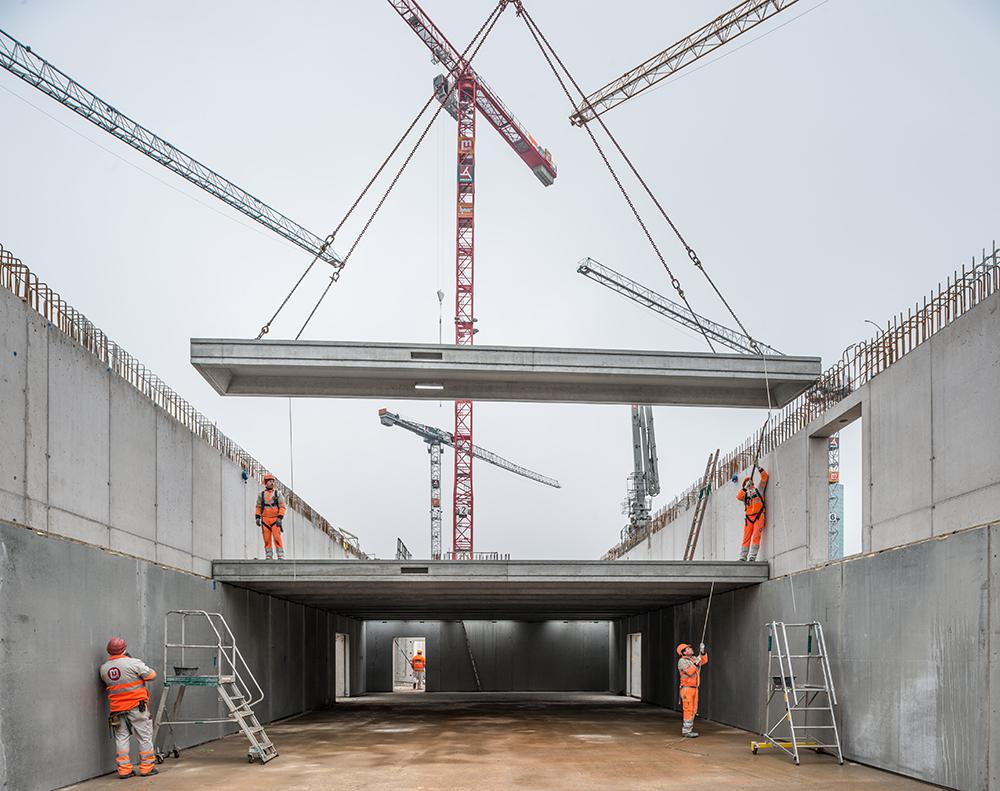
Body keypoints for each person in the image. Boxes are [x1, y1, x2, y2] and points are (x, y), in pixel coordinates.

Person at [99, 636, 158, 778]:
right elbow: (151, 675)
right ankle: (146, 768)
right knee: (144, 737)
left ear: (109, 651)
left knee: (121, 738)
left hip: (117, 711)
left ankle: (124, 770)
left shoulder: (104, 669)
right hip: (137, 707)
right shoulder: (133, 663)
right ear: (124, 649)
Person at [676, 642, 708, 738]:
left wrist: (702, 652)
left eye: (690, 648)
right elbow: (690, 671)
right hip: (687, 689)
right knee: (688, 709)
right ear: (684, 652)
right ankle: (686, 731)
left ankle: (689, 729)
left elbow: (704, 661)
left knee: (693, 709)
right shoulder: (682, 661)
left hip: (694, 688)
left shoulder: (693, 659)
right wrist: (695, 663)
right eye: (688, 648)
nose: (691, 649)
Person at [737, 466, 769, 561]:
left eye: (749, 483)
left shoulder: (759, 489)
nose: (749, 485)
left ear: (752, 483)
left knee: (756, 536)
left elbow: (765, 477)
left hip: (759, 516)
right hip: (749, 519)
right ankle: (743, 557)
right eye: (746, 484)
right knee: (746, 538)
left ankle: (752, 556)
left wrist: (759, 468)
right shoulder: (745, 495)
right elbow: (738, 497)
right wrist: (745, 488)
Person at [255, 473, 286, 560]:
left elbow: (282, 507)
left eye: (272, 481)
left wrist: (280, 518)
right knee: (267, 539)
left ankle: (280, 555)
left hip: (275, 520)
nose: (271, 483)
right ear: (266, 483)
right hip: (265, 520)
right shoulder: (261, 494)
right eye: (269, 481)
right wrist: (257, 517)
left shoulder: (277, 494)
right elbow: (258, 507)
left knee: (277, 538)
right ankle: (269, 555)